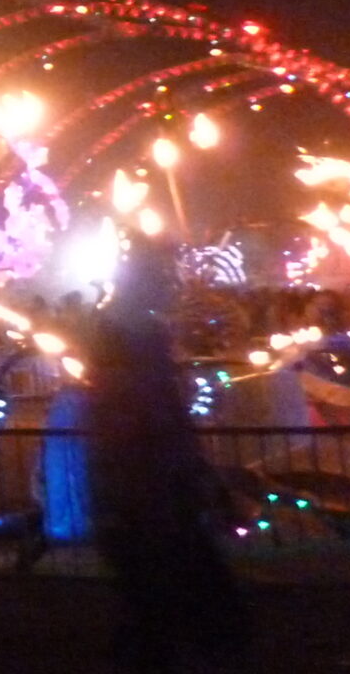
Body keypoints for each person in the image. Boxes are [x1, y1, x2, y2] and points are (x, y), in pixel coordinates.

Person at [88, 242, 247, 673]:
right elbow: (144, 415)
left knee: (151, 610)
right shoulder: (131, 340)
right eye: (165, 277)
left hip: (146, 486)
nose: (173, 286)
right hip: (148, 489)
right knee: (166, 605)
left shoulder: (129, 334)